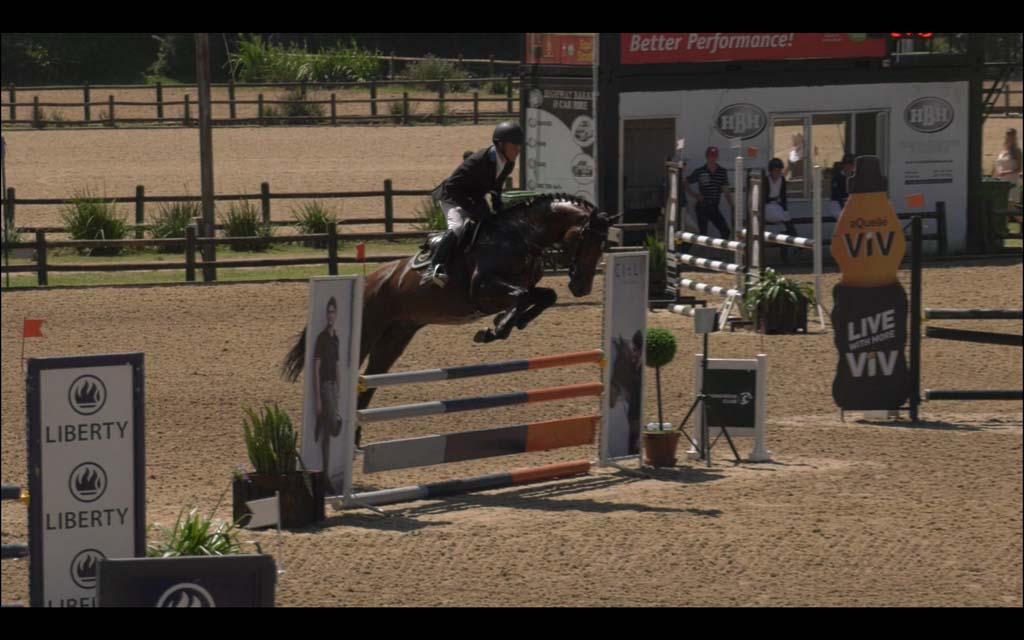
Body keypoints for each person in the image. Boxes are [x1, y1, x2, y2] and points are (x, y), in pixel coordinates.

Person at [422, 122, 523, 287]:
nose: (518, 150)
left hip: (474, 197)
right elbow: (452, 187)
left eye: (520, 146)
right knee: (458, 227)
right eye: (515, 146)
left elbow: (496, 188)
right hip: (452, 197)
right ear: (501, 145)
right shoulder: (479, 160)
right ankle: (433, 268)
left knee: (491, 226)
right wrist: (473, 209)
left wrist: (498, 210)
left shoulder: (508, 163)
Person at [313, 296, 343, 489]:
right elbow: (317, 368)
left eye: (333, 312)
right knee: (333, 425)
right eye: (328, 312)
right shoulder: (322, 338)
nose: (330, 315)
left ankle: (325, 474)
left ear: (336, 314)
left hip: (333, 386)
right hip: (324, 385)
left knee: (328, 434)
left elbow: (337, 364)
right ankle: (324, 420)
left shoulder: (335, 338)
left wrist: (339, 388)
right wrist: (318, 398)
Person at [683, 146, 734, 239]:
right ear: (707, 157)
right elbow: (686, 182)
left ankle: (721, 247)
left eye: (714, 156)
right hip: (702, 206)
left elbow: (726, 191)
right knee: (703, 234)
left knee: (725, 231)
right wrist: (695, 195)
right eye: (711, 156)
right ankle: (702, 248)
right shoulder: (700, 171)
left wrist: (732, 205)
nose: (713, 158)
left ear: (717, 157)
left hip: (714, 206)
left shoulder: (722, 172)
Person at [763, 157, 800, 261]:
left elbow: (783, 197)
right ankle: (797, 243)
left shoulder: (782, 180)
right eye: (776, 171)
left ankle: (784, 255)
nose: (778, 173)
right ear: (771, 171)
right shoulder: (766, 180)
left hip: (777, 206)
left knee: (784, 228)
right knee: (786, 219)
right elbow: (764, 198)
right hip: (766, 207)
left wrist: (785, 209)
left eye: (779, 170)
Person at [993, 127, 1022, 204]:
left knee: (1010, 204)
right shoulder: (1003, 150)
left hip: (1012, 182)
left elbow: (1019, 169)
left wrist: (1005, 172)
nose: (1009, 137)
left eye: (1011, 135)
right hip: (1001, 182)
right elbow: (999, 164)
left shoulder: (1017, 151)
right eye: (1008, 135)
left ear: (1014, 137)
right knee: (1001, 204)